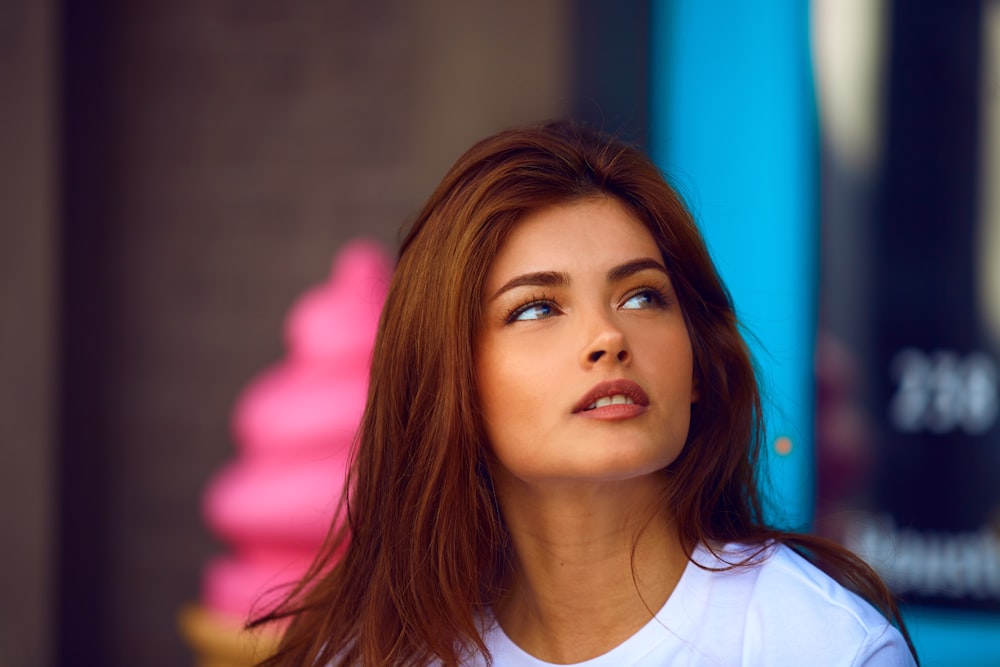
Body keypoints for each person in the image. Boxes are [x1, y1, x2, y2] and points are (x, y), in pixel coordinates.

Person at [253, 120, 918, 666]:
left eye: (643, 296)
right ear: (452, 379)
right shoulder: (373, 653)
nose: (608, 335)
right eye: (538, 308)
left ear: (695, 369)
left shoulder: (825, 647)